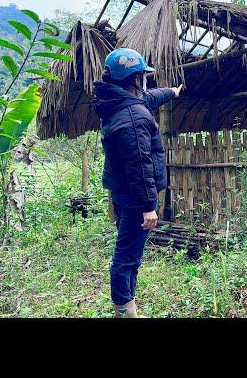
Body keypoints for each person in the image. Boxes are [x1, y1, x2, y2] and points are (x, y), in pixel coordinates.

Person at [92, 48, 183, 317]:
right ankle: (124, 311)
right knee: (127, 255)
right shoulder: (134, 118)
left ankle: (127, 306)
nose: (145, 81)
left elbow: (149, 97)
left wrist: (173, 92)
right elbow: (140, 165)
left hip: (122, 192)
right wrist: (148, 206)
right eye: (142, 76)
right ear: (134, 79)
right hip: (135, 197)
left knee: (129, 250)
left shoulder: (118, 103)